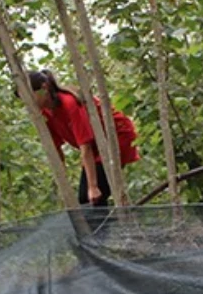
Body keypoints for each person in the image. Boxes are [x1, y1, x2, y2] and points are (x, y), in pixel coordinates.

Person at [26, 70, 139, 223]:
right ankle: (106, 231)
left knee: (90, 196)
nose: (27, 102)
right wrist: (62, 180)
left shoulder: (69, 103)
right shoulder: (44, 113)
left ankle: (106, 235)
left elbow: (85, 147)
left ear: (44, 88)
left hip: (117, 138)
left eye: (29, 95)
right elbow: (56, 149)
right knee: (88, 199)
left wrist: (93, 186)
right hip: (94, 147)